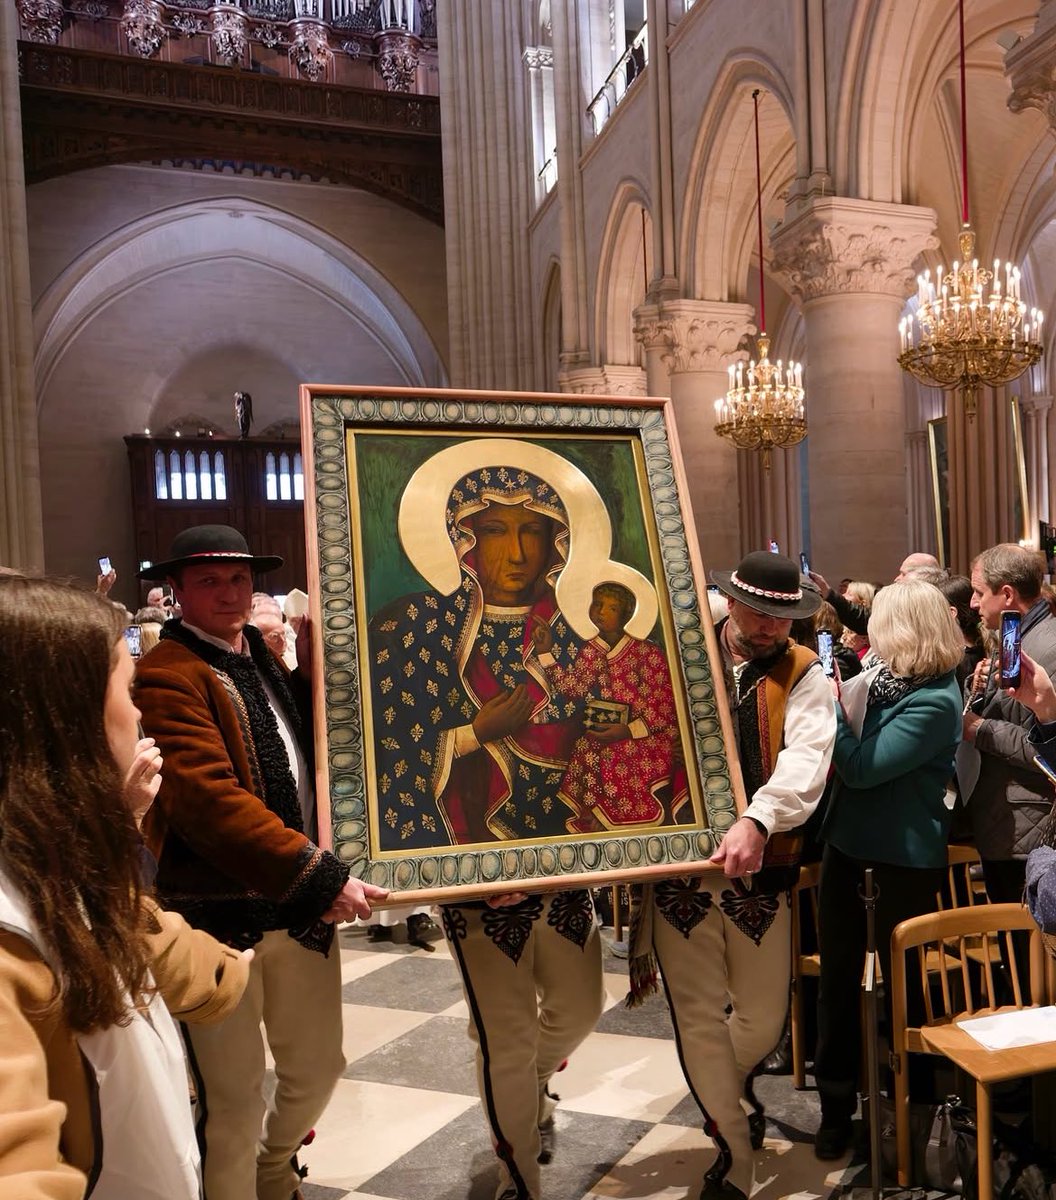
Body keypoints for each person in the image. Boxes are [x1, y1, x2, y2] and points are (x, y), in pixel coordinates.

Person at [135, 524, 388, 1200]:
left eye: (240, 579)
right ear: (178, 591)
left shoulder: (261, 658)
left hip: (297, 911)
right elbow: (207, 801)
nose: (228, 592)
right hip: (218, 919)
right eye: (210, 581)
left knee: (318, 1068)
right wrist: (321, 876)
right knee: (235, 1100)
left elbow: (312, 753)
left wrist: (314, 672)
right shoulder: (166, 672)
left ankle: (273, 1168)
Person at [0, 575, 251, 1198]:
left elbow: (178, 963)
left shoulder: (51, 864)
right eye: (126, 688)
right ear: (67, 719)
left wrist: (111, 829)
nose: (139, 712)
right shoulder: (10, 938)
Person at [629, 551, 835, 1200]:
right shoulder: (681, 653)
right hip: (679, 872)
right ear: (732, 603)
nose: (773, 628)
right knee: (695, 1017)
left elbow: (807, 762)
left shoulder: (806, 673)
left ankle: (721, 1087)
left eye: (785, 617)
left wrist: (759, 819)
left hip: (760, 870)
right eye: (761, 613)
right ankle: (736, 1152)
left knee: (764, 1020)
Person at [812, 579, 963, 1159]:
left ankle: (915, 1106)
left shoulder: (936, 698)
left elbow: (864, 769)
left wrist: (829, 710)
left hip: (901, 859)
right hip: (848, 846)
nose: (868, 631)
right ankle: (834, 1108)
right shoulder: (883, 678)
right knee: (837, 982)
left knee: (906, 989)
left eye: (878, 622)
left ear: (902, 630)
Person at [534, 580, 689, 832]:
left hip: (649, 735)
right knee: (586, 745)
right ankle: (594, 816)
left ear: (627, 615)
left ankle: (616, 819)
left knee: (614, 752)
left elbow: (662, 706)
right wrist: (545, 652)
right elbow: (573, 688)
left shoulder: (646, 653)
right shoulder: (592, 650)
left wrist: (628, 731)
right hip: (611, 730)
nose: (601, 612)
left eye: (612, 608)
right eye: (597, 604)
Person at [961, 544, 1056, 912]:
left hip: (1026, 820)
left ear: (1006, 594)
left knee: (1022, 958)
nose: (972, 603)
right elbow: (1016, 714)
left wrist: (980, 729)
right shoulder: (1018, 637)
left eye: (978, 592)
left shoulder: (1046, 646)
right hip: (1009, 816)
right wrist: (979, 689)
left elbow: (1044, 746)